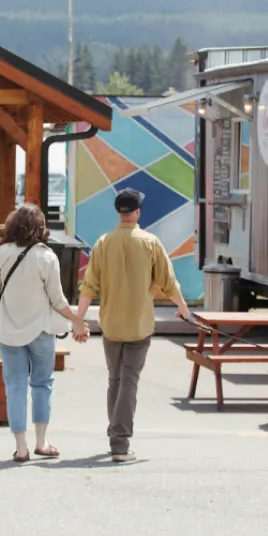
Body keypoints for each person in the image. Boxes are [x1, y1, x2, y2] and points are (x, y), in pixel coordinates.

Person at [76, 188, 193, 463]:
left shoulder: (103, 243)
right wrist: (183, 307)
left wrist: (79, 319)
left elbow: (89, 286)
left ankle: (115, 430)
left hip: (111, 325)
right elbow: (168, 282)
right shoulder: (151, 243)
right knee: (129, 381)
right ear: (137, 212)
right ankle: (120, 443)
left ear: (119, 212)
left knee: (114, 380)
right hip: (140, 325)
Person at [0, 203, 88, 462]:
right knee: (42, 384)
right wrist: (77, 321)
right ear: (40, 227)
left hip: (8, 330)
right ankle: (41, 442)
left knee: (15, 385)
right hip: (41, 331)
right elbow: (58, 300)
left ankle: (21, 447)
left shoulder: (0, 253)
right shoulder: (46, 256)